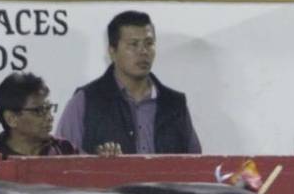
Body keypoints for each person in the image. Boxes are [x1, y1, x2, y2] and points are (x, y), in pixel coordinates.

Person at [55, 10, 200, 155]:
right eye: (133, 44)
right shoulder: (86, 101)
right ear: (112, 51)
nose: (143, 51)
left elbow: (195, 164)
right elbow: (62, 162)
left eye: (149, 43)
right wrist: (96, 165)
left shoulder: (174, 104)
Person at [0, 72, 80, 158]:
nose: (50, 117)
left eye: (49, 108)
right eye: (39, 110)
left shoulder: (66, 150)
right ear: (11, 119)